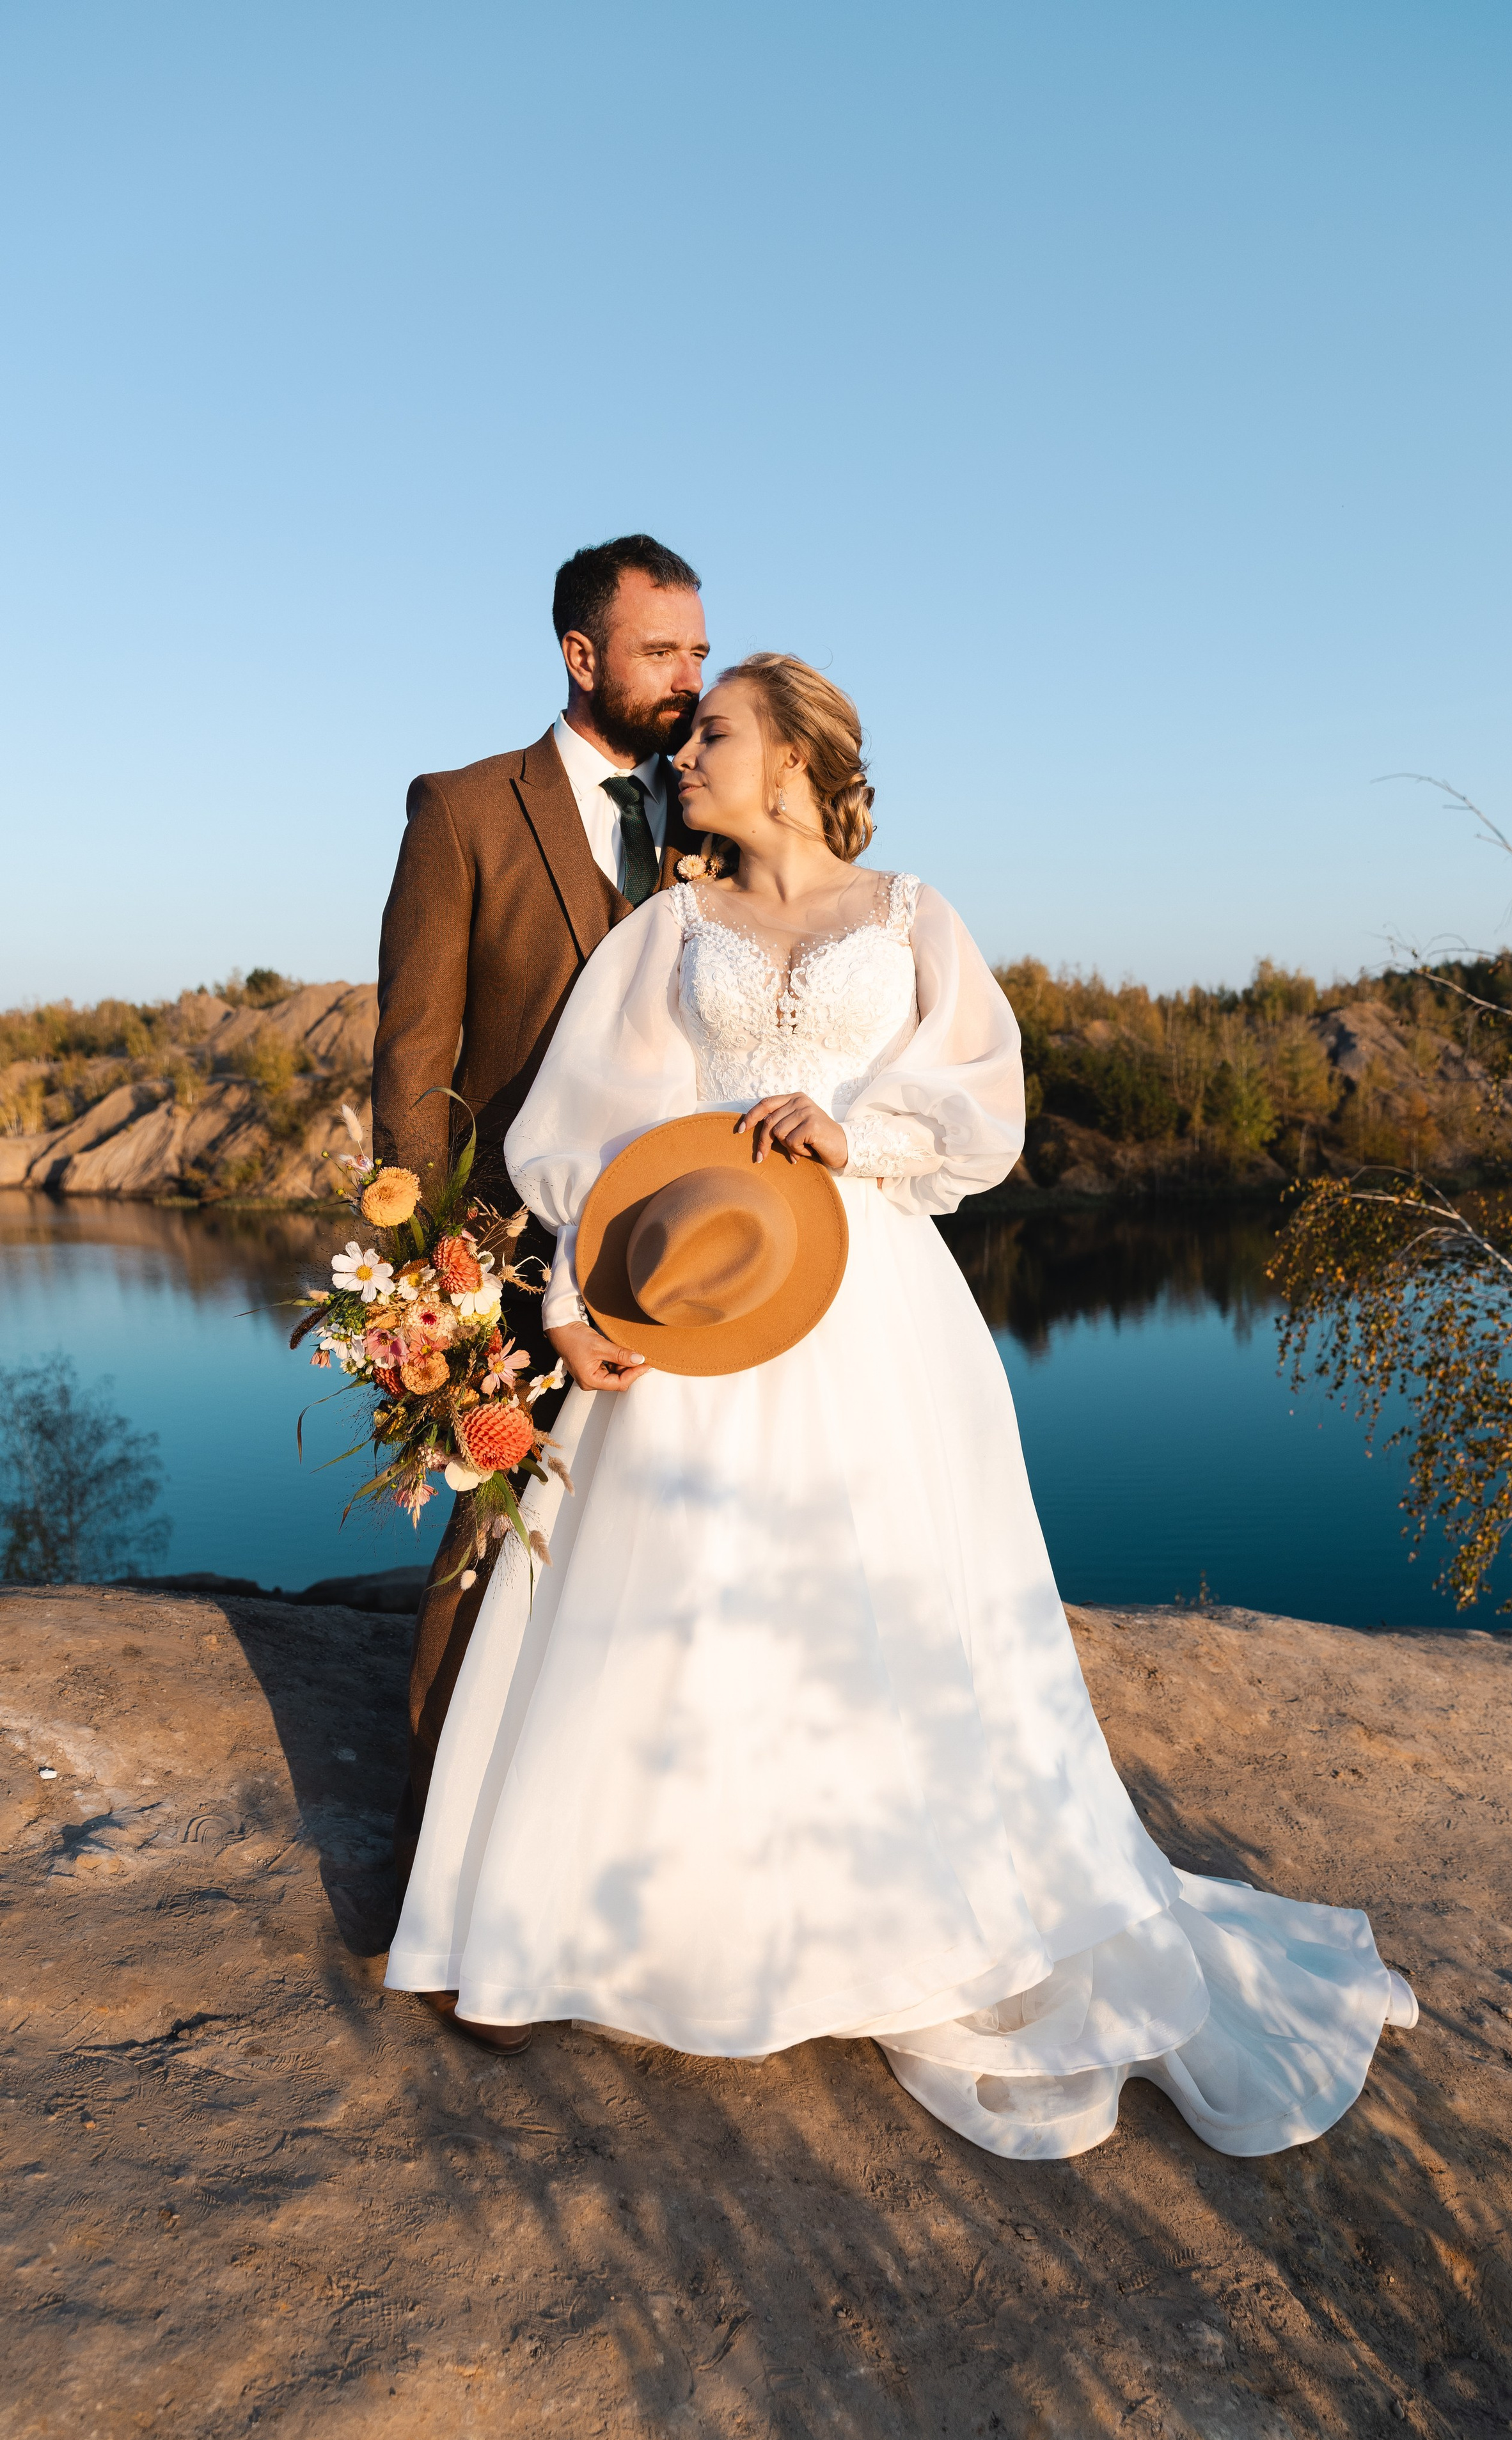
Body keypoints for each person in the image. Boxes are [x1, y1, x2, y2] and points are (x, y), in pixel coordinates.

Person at [384, 653, 1417, 2160]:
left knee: (884, 1590)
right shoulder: (670, 929)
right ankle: (620, 1929)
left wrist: (854, 1129)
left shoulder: (915, 918)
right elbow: (584, 1134)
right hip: (709, 1293)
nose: (683, 756)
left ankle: (889, 1916)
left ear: (795, 758)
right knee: (673, 1589)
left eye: (714, 734)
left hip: (872, 1296)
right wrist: (569, 1300)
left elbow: (982, 1111)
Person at [371, 533, 708, 1880]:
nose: (690, 676)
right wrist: (431, 1285)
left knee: (657, 1556)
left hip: (691, 1256)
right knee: (483, 1553)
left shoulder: (718, 807)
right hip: (506, 1257)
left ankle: (619, 1866)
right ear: (582, 656)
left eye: (697, 647)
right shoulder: (462, 810)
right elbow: (413, 1066)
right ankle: (436, 1877)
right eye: (659, 651)